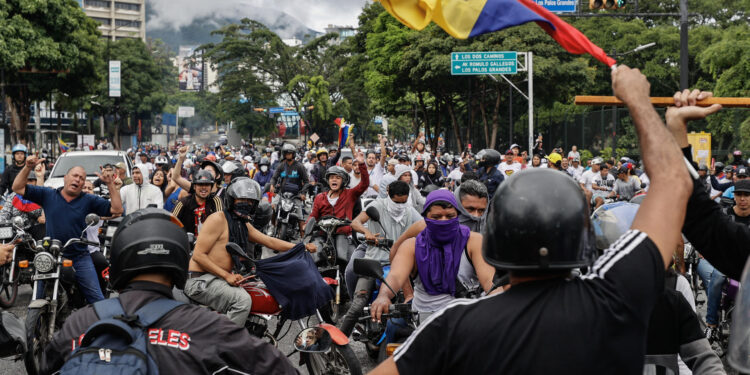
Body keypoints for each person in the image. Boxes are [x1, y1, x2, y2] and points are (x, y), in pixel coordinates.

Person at [370, 66, 694, 375]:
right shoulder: (618, 296)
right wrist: (639, 101)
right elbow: (674, 181)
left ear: (495, 239)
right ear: (582, 239)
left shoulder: (453, 325)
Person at [40, 209, 298, 374]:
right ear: (177, 258)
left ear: (119, 258)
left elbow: (45, 368)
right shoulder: (207, 326)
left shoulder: (80, 322)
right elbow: (280, 369)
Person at [183, 178, 316, 327]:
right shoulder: (218, 219)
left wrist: (300, 246)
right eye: (242, 199)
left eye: (250, 201)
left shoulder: (241, 224)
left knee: (259, 289)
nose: (247, 203)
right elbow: (198, 255)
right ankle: (225, 346)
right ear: (232, 199)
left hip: (216, 279)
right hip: (200, 280)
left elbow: (269, 241)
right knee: (241, 301)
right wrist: (227, 275)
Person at [370, 190, 495, 323]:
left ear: (457, 216)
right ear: (425, 218)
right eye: (436, 217)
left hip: (465, 320)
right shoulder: (411, 246)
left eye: (450, 216)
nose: (443, 221)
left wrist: (501, 304)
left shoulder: (473, 241)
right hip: (423, 321)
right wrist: (383, 296)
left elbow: (489, 282)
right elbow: (395, 276)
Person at [13, 155, 123, 304]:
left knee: (98, 301)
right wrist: (27, 167)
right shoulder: (48, 194)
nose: (78, 180)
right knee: (37, 299)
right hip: (51, 255)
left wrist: (110, 184)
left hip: (79, 257)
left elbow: (117, 209)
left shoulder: (89, 200)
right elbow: (17, 187)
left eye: (81, 178)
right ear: (65, 178)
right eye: (75, 176)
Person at [348, 181, 422, 298]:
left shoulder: (409, 210)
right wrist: (367, 232)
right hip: (374, 259)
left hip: (399, 261)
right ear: (389, 195)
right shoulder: (377, 205)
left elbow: (422, 226)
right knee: (351, 273)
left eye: (404, 202)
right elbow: (355, 223)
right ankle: (353, 301)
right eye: (397, 202)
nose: (400, 206)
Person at [308, 160, 369, 262]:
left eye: (337, 177)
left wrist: (362, 164)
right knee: (314, 259)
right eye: (331, 177)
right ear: (328, 180)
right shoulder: (319, 197)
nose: (334, 180)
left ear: (344, 180)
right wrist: (307, 225)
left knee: (344, 258)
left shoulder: (350, 194)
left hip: (343, 234)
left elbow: (364, 184)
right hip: (322, 234)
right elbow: (313, 215)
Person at [269, 143, 309, 237]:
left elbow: (307, 181)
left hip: (296, 195)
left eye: (290, 153)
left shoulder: (300, 166)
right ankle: (272, 226)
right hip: (282, 194)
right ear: (284, 154)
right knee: (273, 207)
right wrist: (272, 185)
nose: (288, 155)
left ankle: (303, 238)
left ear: (293, 154)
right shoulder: (281, 166)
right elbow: (274, 177)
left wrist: (303, 193)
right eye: (286, 153)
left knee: (300, 216)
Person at [171, 170, 223, 237]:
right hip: (188, 244)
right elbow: (171, 222)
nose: (204, 187)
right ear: (194, 186)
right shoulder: (183, 203)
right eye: (200, 184)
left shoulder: (216, 200)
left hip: (211, 243)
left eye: (207, 184)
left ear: (211, 187)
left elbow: (222, 223)